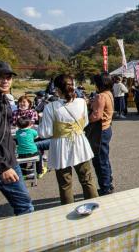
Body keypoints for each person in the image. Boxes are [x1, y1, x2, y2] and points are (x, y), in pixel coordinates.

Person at [0, 60, 34, 216]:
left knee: (25, 206)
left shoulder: (3, 99)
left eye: (9, 77)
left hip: (9, 163)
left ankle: (29, 239)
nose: (5, 81)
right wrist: (3, 166)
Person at [38, 74, 98, 204]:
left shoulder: (51, 107)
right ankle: (94, 206)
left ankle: (67, 211)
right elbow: (85, 123)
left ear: (57, 90)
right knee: (87, 179)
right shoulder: (82, 102)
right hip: (79, 142)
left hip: (60, 146)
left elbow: (45, 132)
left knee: (65, 183)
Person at [89, 73, 115, 195]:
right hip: (107, 128)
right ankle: (108, 182)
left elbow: (96, 116)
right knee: (104, 158)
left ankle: (105, 187)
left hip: (100, 131)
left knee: (99, 160)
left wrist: (83, 119)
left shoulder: (101, 96)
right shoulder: (109, 94)